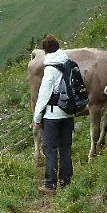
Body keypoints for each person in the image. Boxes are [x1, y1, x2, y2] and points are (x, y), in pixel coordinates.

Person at [33, 34, 74, 194]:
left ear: (45, 50)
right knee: (66, 149)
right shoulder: (68, 63)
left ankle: (50, 184)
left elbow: (43, 96)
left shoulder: (50, 68)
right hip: (68, 114)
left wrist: (37, 118)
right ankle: (66, 183)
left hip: (52, 116)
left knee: (50, 149)